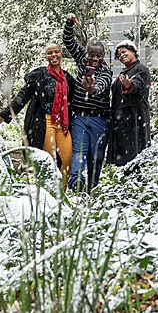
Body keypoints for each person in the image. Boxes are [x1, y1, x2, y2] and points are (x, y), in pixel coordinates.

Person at [0, 43, 77, 183]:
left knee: (67, 159)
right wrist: (5, 114)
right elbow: (22, 96)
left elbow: (74, 101)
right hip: (44, 122)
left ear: (61, 54)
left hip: (63, 123)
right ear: (46, 57)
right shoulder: (38, 75)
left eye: (56, 52)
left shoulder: (68, 78)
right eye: (49, 53)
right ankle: (46, 191)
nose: (53, 55)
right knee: (48, 159)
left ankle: (62, 194)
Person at [63, 13, 113, 191]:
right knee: (79, 152)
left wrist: (91, 89)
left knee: (96, 157)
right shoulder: (82, 61)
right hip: (80, 119)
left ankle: (92, 187)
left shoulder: (107, 72)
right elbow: (69, 42)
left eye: (98, 55)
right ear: (87, 54)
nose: (95, 59)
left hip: (100, 120)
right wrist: (69, 23)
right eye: (92, 55)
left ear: (103, 55)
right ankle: (76, 185)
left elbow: (101, 86)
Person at [107, 39, 151, 167]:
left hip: (134, 119)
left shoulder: (140, 69)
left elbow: (138, 85)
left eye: (124, 52)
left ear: (134, 52)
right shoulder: (124, 72)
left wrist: (129, 86)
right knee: (123, 155)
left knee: (133, 154)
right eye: (119, 54)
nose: (122, 55)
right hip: (122, 120)